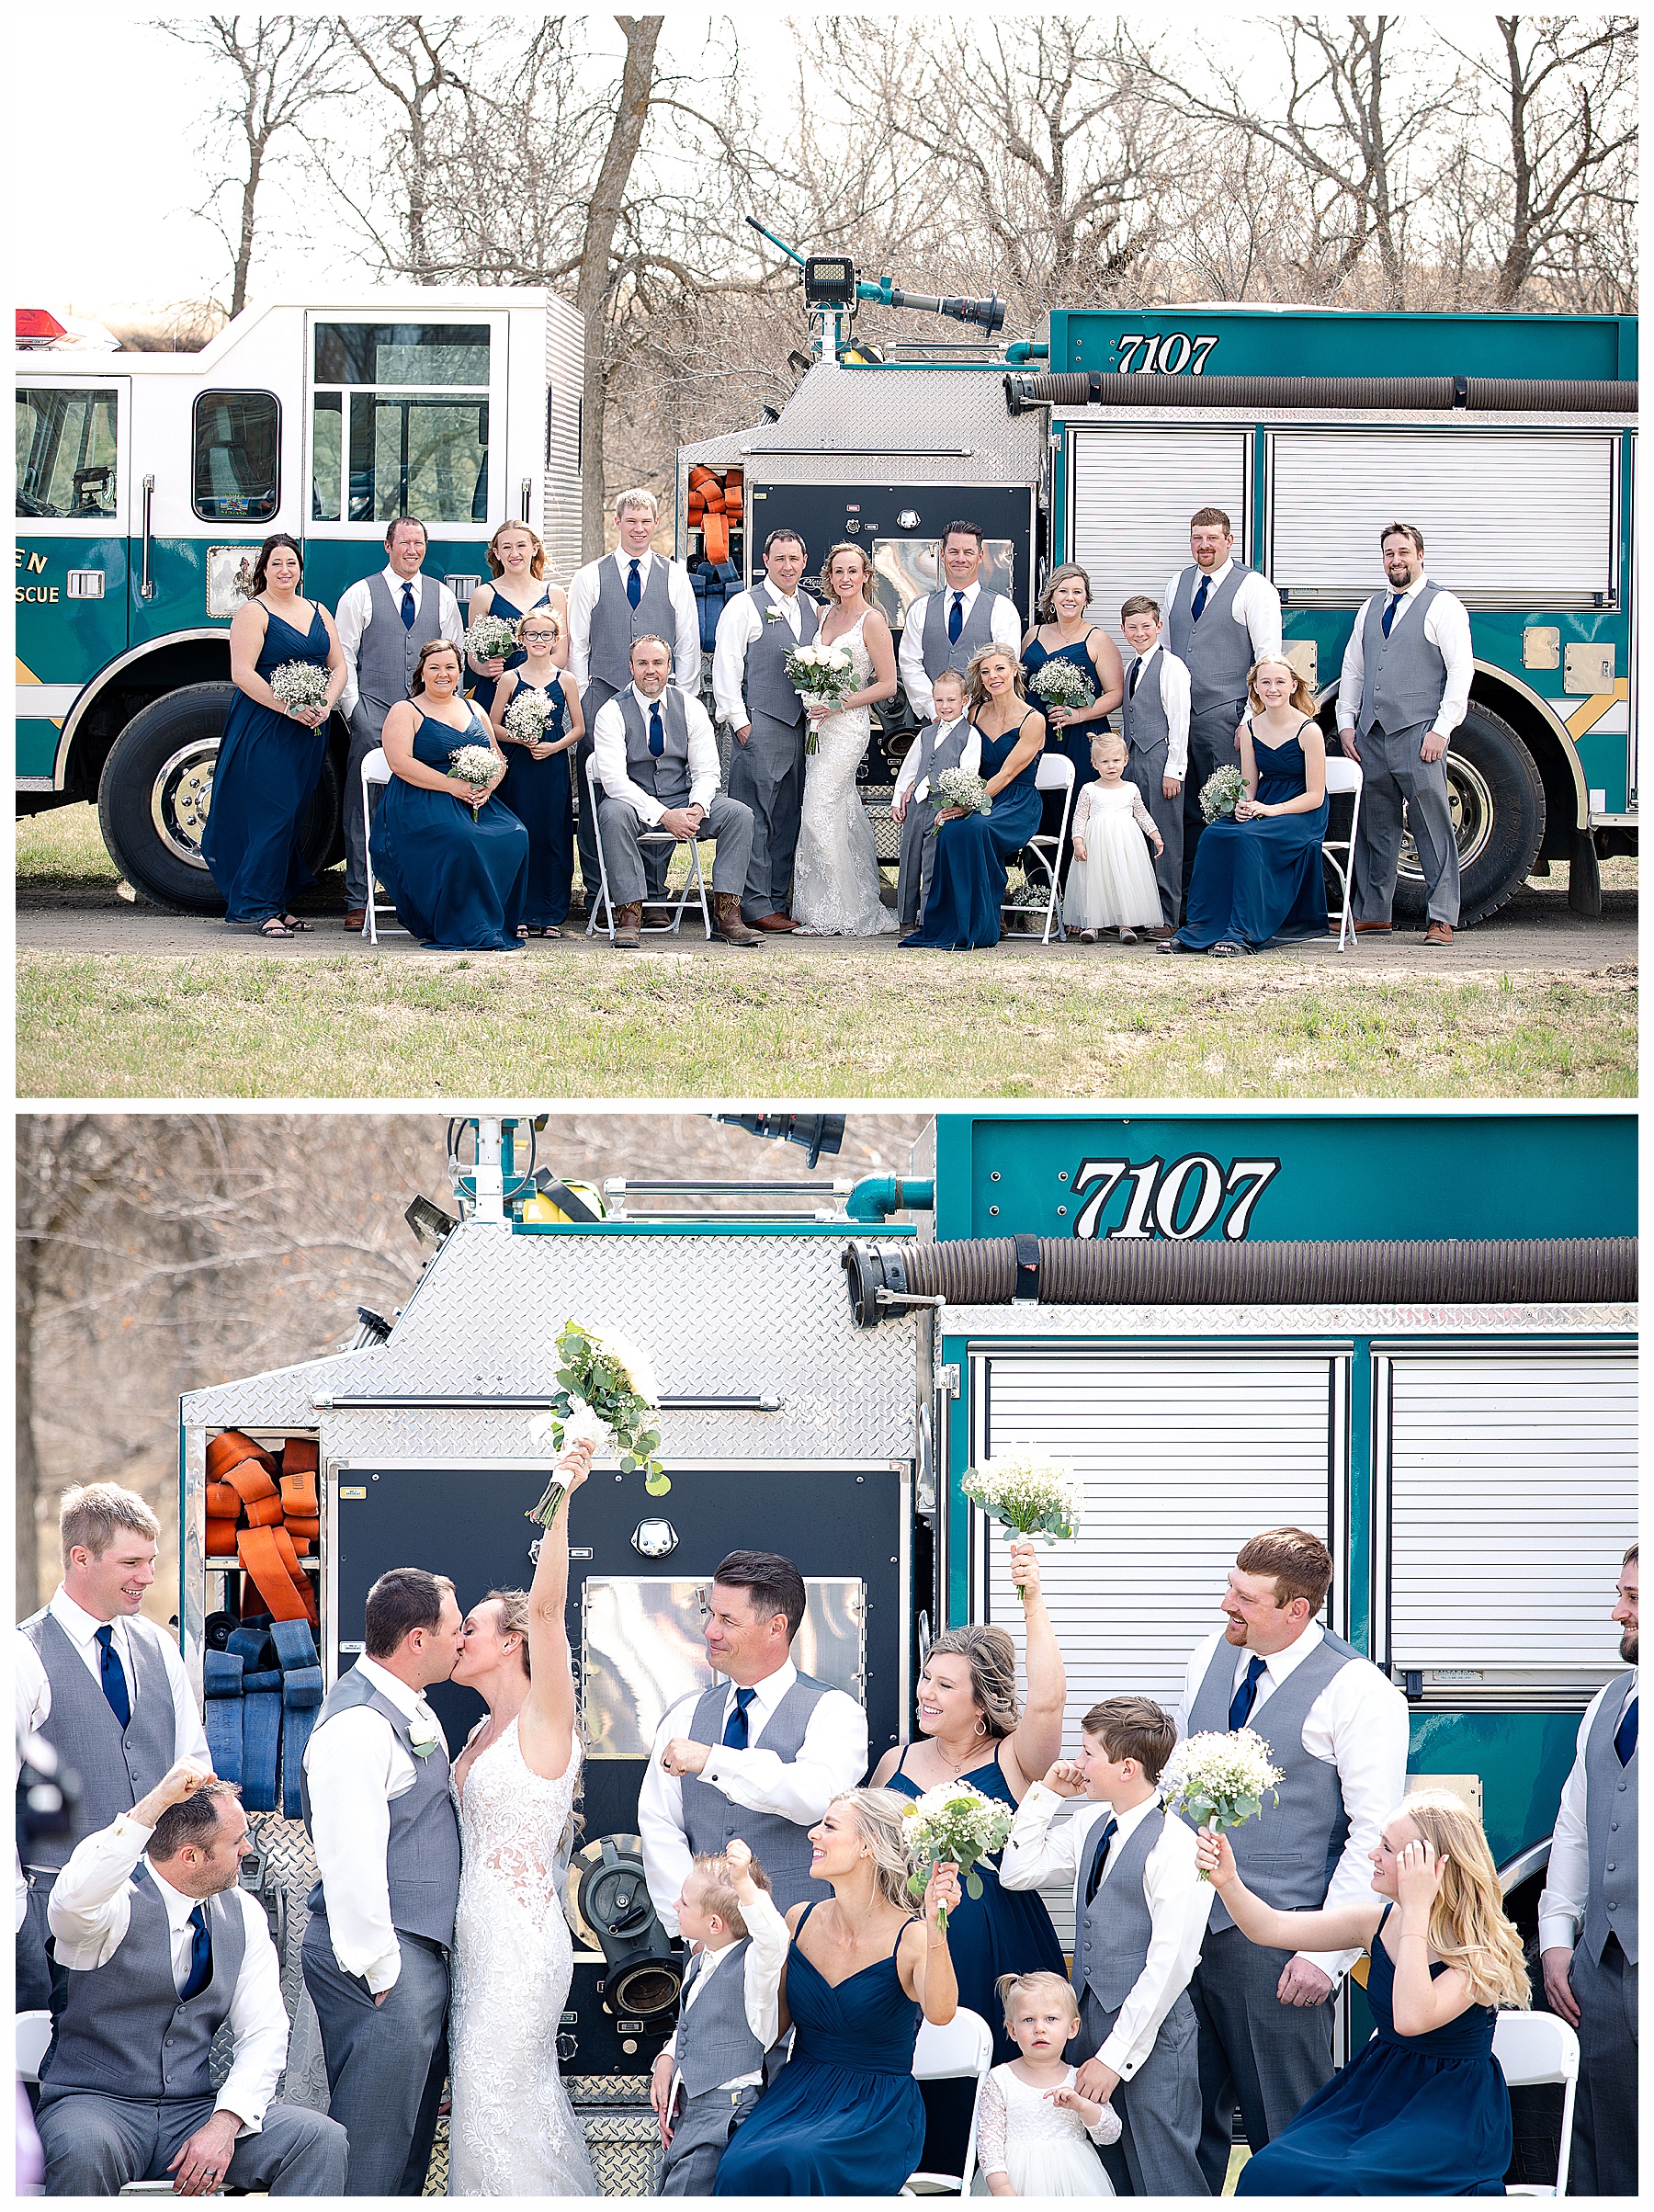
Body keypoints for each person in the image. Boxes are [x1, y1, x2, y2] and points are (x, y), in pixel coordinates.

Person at [1175, 1526, 1410, 2195]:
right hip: (1187, 1931)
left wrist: (1325, 1955)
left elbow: (1375, 1830)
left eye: (1245, 1597)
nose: (1228, 1604)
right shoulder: (1206, 1658)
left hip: (1281, 1946)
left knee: (1290, 2125)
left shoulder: (1359, 1690)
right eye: (1230, 1586)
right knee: (1179, 2120)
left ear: (1296, 1610)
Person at [37, 1757, 348, 2196]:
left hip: (193, 2112)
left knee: (318, 2140)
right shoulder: (110, 1904)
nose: (249, 1850)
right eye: (237, 1841)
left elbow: (265, 2029)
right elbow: (70, 1903)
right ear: (192, 1857)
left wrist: (225, 2122)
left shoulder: (243, 1911)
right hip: (96, 2107)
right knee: (84, 2148)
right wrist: (157, 1801)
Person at [1198, 1790, 1530, 2195]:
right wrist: (1228, 1880)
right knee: (1267, 2170)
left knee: (1350, 2185)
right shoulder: (1374, 1921)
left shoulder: (1479, 1952)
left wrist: (1417, 1911)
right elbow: (1269, 1928)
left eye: (1388, 1849)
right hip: (1377, 2089)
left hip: (1448, 2110)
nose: (1373, 1855)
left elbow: (1411, 2018)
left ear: (1432, 1868)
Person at [445, 1442, 598, 2195]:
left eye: (471, 1626)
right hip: (474, 1941)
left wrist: (563, 1490)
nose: (458, 1638)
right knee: (480, 2106)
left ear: (511, 1641)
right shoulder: (473, 1735)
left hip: (521, 1946)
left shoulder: (547, 1718)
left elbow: (547, 1605)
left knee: (500, 2105)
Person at [1002, 1696, 1213, 2195]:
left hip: (1152, 2037)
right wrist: (1045, 1795)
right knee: (1103, 2178)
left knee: (1164, 2175)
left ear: (1127, 1768)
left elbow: (1170, 1966)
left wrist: (1114, 2059)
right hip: (1090, 2028)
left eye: (1088, 1754)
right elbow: (1017, 1872)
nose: (1076, 1764)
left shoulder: (1174, 1845)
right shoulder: (1092, 1825)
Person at [300, 1565, 465, 2199]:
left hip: (411, 1955)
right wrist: (382, 1970)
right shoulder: (358, 1726)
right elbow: (350, 1857)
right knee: (372, 2157)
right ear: (417, 1639)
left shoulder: (404, 1707)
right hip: (385, 1961)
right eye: (453, 1629)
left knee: (406, 2152)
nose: (461, 1639)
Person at [17, 1484, 211, 2014]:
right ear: (81, 1558)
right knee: (49, 2065)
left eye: (150, 1561)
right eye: (131, 1562)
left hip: (152, 1902)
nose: (147, 1578)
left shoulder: (159, 1646)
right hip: (53, 1910)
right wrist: (14, 1918)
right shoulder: (22, 1656)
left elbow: (194, 1764)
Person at [870, 1546, 1067, 2063]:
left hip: (1000, 1942)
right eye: (925, 1678)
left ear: (983, 1702)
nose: (924, 1693)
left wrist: (1032, 1599)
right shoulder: (896, 1763)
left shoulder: (1016, 1760)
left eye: (945, 1685)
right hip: (912, 1944)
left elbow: (1047, 1702)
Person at [712, 1790, 961, 2196]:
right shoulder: (800, 1919)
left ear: (868, 1846)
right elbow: (771, 2028)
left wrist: (938, 1927)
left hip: (875, 2109)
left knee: (798, 2158)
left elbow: (941, 2013)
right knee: (740, 2164)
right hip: (798, 2090)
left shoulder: (912, 1935)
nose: (813, 1835)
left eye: (829, 1827)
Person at [640, 1549, 870, 1934]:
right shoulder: (685, 1715)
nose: (711, 1631)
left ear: (776, 1627)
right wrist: (689, 1927)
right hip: (707, 1949)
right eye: (711, 1614)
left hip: (803, 1941)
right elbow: (659, 1825)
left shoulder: (834, 1712)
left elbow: (814, 1797)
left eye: (728, 1620)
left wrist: (714, 1760)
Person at [1537, 1541, 1637, 2197]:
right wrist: (1555, 1938)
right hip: (1597, 1964)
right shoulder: (1610, 1699)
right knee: (1598, 2138)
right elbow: (1574, 1828)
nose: (1616, 1611)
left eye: (1633, 1599)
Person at [200, 533, 346, 937]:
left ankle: (278, 905)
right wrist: (289, 707)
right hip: (267, 725)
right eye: (276, 563)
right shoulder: (253, 612)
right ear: (263, 570)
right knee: (271, 813)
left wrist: (326, 704)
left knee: (294, 814)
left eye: (292, 563)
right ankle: (257, 907)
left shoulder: (319, 610)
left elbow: (339, 666)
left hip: (312, 727)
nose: (285, 570)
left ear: (301, 570)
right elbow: (242, 672)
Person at [1336, 521, 1473, 947]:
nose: (1395, 560)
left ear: (1420, 555)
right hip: (1371, 735)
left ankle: (1442, 917)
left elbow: (1460, 671)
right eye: (1389, 554)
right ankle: (1375, 914)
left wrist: (1442, 729)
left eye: (1403, 552)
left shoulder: (1443, 605)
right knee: (1377, 827)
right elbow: (1354, 670)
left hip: (1418, 734)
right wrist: (1346, 723)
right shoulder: (1371, 607)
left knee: (1432, 826)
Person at [567, 489, 701, 917]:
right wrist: (586, 698)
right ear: (617, 523)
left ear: (655, 524)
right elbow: (578, 644)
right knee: (600, 794)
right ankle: (598, 889)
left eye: (646, 522)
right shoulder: (590, 576)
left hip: (662, 698)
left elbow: (688, 641)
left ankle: (653, 892)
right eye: (631, 521)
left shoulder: (674, 575)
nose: (639, 529)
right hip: (603, 692)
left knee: (660, 784)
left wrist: (687, 698)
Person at [335, 516, 466, 931]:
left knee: (428, 805)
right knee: (365, 809)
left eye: (419, 544)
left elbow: (453, 658)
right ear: (388, 546)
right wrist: (355, 710)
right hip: (373, 713)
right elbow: (343, 657)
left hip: (427, 721)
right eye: (405, 543)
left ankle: (421, 896)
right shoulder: (361, 594)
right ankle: (359, 898)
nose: (413, 550)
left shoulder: (442, 597)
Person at [591, 635, 760, 947]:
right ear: (631, 667)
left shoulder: (690, 707)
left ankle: (728, 916)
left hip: (681, 797)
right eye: (642, 663)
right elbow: (614, 781)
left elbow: (707, 769)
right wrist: (663, 815)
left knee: (739, 814)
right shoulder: (612, 712)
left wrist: (697, 806)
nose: (650, 670)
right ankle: (629, 916)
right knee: (611, 813)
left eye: (657, 663)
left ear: (669, 667)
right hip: (634, 803)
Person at [650, 1838, 789, 2195]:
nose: (675, 1904)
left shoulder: (754, 1969)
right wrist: (669, 2057)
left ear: (714, 1923)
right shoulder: (700, 1959)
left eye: (685, 1902)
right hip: (690, 2111)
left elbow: (774, 1938)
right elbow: (694, 2023)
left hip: (724, 2116)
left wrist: (743, 1882)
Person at [371, 638, 528, 953]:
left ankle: (492, 918)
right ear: (422, 673)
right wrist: (451, 785)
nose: (443, 674)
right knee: (462, 839)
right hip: (420, 799)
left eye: (450, 667)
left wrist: (489, 787)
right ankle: (464, 924)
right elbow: (399, 763)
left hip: (474, 798)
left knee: (517, 834)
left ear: (460, 672)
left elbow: (498, 758)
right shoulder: (406, 710)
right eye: (434, 668)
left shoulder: (475, 708)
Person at [1165, 654, 1329, 957]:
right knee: (1214, 834)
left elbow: (1315, 795)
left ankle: (1242, 932)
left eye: (1280, 682)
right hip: (1265, 803)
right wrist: (1243, 804)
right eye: (1265, 682)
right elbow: (1249, 785)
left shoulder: (1309, 731)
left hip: (1301, 812)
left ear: (1293, 685)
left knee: (1249, 838)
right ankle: (1201, 928)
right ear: (1255, 687)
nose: (1273, 688)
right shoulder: (1251, 729)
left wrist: (1271, 810)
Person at [1164, 506, 1283, 895]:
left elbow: (1267, 659)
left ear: (1230, 541)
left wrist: (1250, 720)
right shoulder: (1176, 584)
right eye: (1197, 537)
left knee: (1229, 806)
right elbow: (1166, 653)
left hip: (1227, 717)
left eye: (1212, 538)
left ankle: (1232, 897)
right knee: (1185, 813)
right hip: (1181, 720)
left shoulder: (1254, 587)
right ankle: (1190, 902)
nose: (1204, 545)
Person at [900, 645, 1047, 950]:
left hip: (1015, 801)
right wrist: (916, 784)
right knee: (950, 829)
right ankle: (949, 919)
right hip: (977, 794)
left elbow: (1006, 775)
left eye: (1000, 669)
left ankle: (986, 918)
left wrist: (968, 804)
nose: (993, 676)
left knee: (975, 828)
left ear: (1015, 670)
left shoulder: (1033, 720)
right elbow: (948, 745)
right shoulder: (975, 711)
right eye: (986, 671)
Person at [711, 528, 821, 932]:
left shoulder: (812, 606)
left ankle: (777, 897)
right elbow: (726, 668)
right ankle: (754, 904)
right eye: (779, 559)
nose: (787, 566)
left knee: (788, 815)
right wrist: (740, 722)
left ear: (803, 562)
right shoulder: (744, 605)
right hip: (758, 724)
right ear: (765, 561)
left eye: (794, 559)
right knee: (754, 816)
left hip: (801, 727)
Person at [790, 541, 900, 936]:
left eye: (853, 571)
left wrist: (840, 703)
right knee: (836, 810)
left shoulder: (872, 621)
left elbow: (887, 685)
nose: (846, 578)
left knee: (818, 808)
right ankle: (830, 905)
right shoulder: (822, 614)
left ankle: (842, 910)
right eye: (839, 571)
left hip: (848, 726)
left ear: (866, 575)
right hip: (816, 726)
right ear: (829, 576)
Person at [976, 1971, 1122, 2198]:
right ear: (1013, 2030)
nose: (1039, 2028)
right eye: (1028, 2020)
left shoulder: (1079, 2079)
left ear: (1072, 2028)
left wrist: (1082, 2106)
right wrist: (1001, 2187)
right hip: (1014, 2181)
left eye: (1051, 2019)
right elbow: (988, 2141)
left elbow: (1110, 2133)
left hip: (1074, 2181)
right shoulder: (1001, 2079)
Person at [489, 608, 583, 936]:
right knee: (521, 833)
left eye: (546, 635)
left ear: (556, 639)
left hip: (552, 765)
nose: (539, 640)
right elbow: (493, 726)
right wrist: (520, 737)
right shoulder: (510, 679)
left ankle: (551, 913)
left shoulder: (565, 679)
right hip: (520, 766)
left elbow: (579, 728)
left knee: (552, 835)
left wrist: (554, 747)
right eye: (532, 634)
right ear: (521, 639)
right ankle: (519, 911)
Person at [1020, 562, 1125, 827]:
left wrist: (1078, 715)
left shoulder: (1097, 638)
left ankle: (1076, 865)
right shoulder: (1033, 634)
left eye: (1077, 592)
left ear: (1086, 598)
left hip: (1081, 736)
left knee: (1078, 804)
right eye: (1063, 591)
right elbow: (1019, 687)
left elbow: (1116, 694)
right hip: (1038, 735)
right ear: (1052, 596)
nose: (1070, 598)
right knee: (1039, 803)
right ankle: (1041, 868)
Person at [898, 520, 1024, 722]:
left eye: (968, 552)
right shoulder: (920, 608)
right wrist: (936, 708)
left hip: (985, 720)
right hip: (933, 723)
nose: (961, 558)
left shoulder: (1002, 608)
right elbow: (909, 662)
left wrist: (967, 710)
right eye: (954, 551)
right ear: (942, 554)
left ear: (980, 556)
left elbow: (1004, 667)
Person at [1117, 595, 1191, 936]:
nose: (1139, 632)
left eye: (1146, 626)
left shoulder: (1172, 667)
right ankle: (1140, 909)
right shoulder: (1132, 667)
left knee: (1165, 836)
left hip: (1160, 758)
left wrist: (1174, 770)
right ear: (1123, 629)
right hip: (1134, 758)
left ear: (1159, 627)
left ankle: (1166, 914)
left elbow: (1179, 722)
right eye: (1132, 627)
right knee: (1137, 835)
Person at [891, 664, 974, 930]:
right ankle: (904, 918)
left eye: (951, 700)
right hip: (917, 804)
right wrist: (897, 799)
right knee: (909, 859)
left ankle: (929, 920)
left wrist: (959, 803)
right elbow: (910, 768)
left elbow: (969, 773)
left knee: (932, 862)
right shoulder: (926, 733)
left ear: (965, 701)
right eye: (939, 700)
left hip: (943, 806)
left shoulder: (970, 736)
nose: (945, 706)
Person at [1064, 732, 1166, 945]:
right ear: (1094, 764)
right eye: (1105, 761)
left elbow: (1142, 814)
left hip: (1125, 845)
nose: (1111, 766)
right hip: (1097, 844)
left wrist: (1155, 836)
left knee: (1124, 879)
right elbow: (1080, 817)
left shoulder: (1131, 789)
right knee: (1096, 881)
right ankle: (1092, 925)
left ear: (1125, 761)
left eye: (1116, 761)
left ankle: (1125, 924)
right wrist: (1078, 841)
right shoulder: (1089, 789)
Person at [466, 522, 568, 716]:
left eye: (521, 545)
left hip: (540, 691)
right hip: (494, 689)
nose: (514, 553)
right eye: (506, 547)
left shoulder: (554, 594)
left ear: (534, 548)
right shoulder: (483, 594)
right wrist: (485, 667)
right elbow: (472, 657)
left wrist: (526, 676)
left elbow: (560, 655)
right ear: (496, 553)